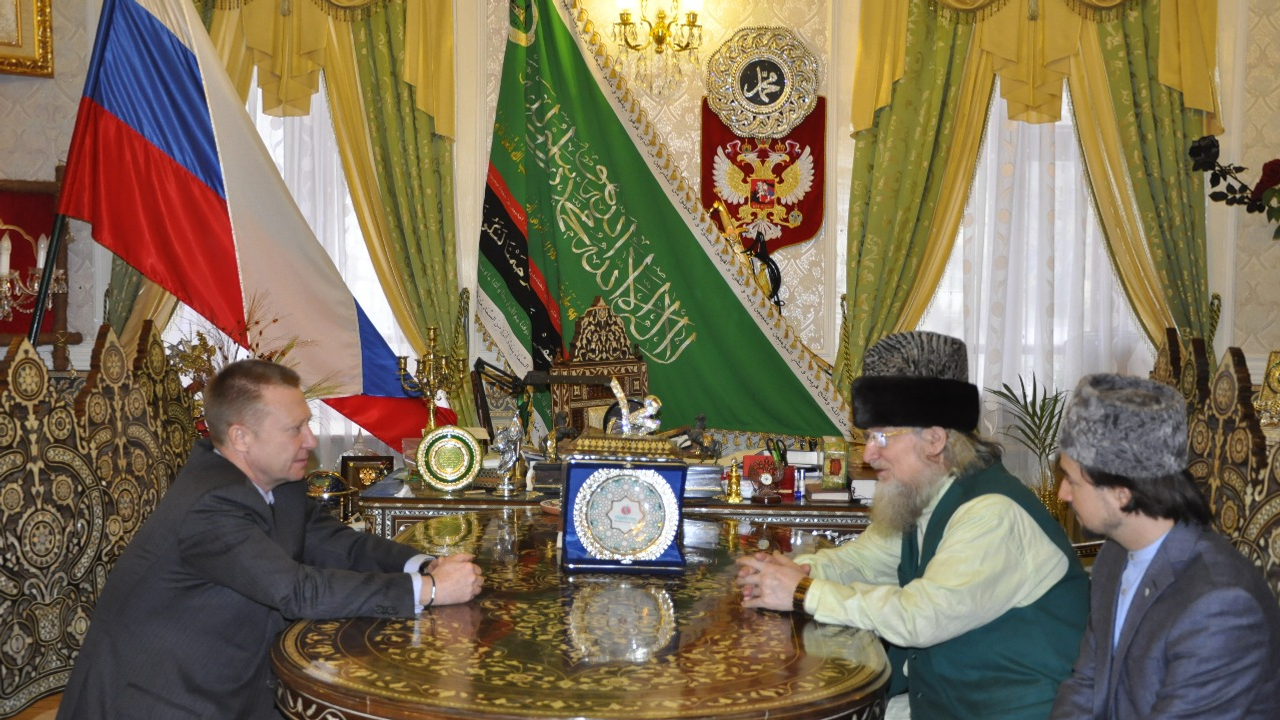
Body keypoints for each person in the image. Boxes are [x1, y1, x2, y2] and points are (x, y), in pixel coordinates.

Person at [57, 359, 484, 720]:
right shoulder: (210, 504)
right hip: (163, 700)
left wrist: (423, 565)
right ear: (241, 437)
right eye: (295, 429)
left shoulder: (279, 481)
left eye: (308, 425)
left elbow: (341, 544)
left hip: (241, 684)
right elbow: (296, 591)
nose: (310, 441)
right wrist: (429, 590)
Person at [736, 331, 1088, 720]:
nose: (869, 454)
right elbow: (865, 561)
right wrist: (787, 572)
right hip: (942, 704)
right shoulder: (922, 494)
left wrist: (804, 592)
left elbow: (919, 618)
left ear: (934, 440)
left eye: (881, 437)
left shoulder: (992, 514)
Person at [1050, 374, 1280, 719]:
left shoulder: (1219, 605)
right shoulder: (1115, 555)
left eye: (1071, 480)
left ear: (1122, 493)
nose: (1062, 494)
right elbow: (1085, 684)